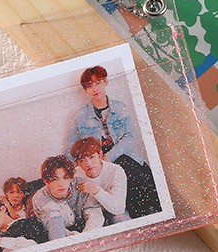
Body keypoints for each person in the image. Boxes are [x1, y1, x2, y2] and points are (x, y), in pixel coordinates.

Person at [68, 67, 161, 219]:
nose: (94, 88)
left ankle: (150, 214)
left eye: (98, 83)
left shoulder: (120, 107)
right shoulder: (81, 116)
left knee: (137, 173)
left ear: (105, 82)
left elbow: (130, 137)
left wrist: (109, 157)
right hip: (97, 158)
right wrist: (73, 169)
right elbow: (71, 145)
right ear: (85, 90)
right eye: (89, 85)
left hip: (122, 153)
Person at [29, 155, 97, 241]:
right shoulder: (40, 198)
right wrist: (75, 238)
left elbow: (94, 214)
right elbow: (55, 228)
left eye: (65, 177)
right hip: (57, 234)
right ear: (46, 181)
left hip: (85, 229)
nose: (61, 184)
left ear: (71, 177)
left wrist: (86, 237)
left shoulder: (80, 185)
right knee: (54, 219)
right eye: (55, 179)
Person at [70, 136, 129, 227]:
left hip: (113, 211)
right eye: (82, 160)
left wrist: (96, 191)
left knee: (122, 220)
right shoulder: (75, 175)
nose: (88, 164)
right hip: (90, 213)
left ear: (100, 155)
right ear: (77, 163)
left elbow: (119, 209)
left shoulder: (115, 171)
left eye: (92, 157)